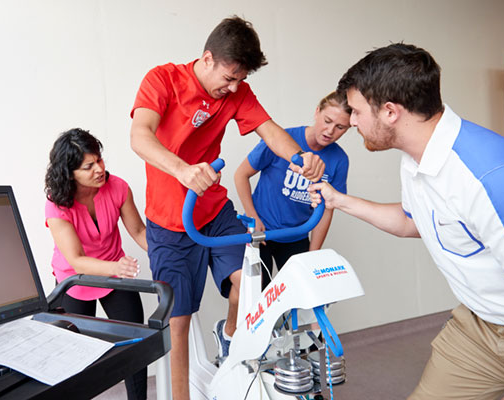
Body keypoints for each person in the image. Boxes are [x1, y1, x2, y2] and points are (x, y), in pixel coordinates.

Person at [308, 43, 504, 400]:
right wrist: (339, 201)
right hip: (478, 327)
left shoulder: (493, 179)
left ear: (390, 111)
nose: (353, 121)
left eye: (358, 111)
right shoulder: (416, 159)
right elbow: (414, 221)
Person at [129, 15, 325, 399]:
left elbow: (270, 132)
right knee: (179, 323)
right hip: (170, 223)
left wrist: (301, 159)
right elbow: (139, 136)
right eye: (229, 77)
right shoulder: (163, 79)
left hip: (215, 213)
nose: (234, 87)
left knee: (249, 281)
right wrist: (183, 170)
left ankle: (230, 333)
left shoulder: (238, 92)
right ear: (207, 59)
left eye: (241, 80)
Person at [44, 128, 148, 400]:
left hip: (114, 273)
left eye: (99, 160)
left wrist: (166, 255)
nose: (99, 169)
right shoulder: (57, 205)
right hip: (75, 280)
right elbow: (76, 260)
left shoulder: (118, 187)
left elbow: (138, 231)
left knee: (134, 346)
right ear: (69, 173)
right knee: (75, 357)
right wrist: (117, 268)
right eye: (88, 166)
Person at [235, 92, 351, 289]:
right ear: (317, 112)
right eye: (327, 121)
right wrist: (254, 218)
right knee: (257, 294)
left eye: (340, 127)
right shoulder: (282, 140)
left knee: (301, 291)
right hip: (262, 232)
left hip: (296, 236)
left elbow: (326, 210)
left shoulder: (339, 159)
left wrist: (313, 253)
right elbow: (241, 175)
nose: (330, 131)